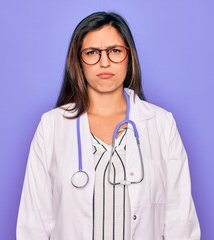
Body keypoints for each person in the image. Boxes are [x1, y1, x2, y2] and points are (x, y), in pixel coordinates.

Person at [16, 12, 201, 240]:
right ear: (78, 61)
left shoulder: (161, 124)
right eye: (92, 53)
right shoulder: (52, 126)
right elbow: (33, 223)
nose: (104, 62)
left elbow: (180, 220)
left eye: (115, 51)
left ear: (129, 56)